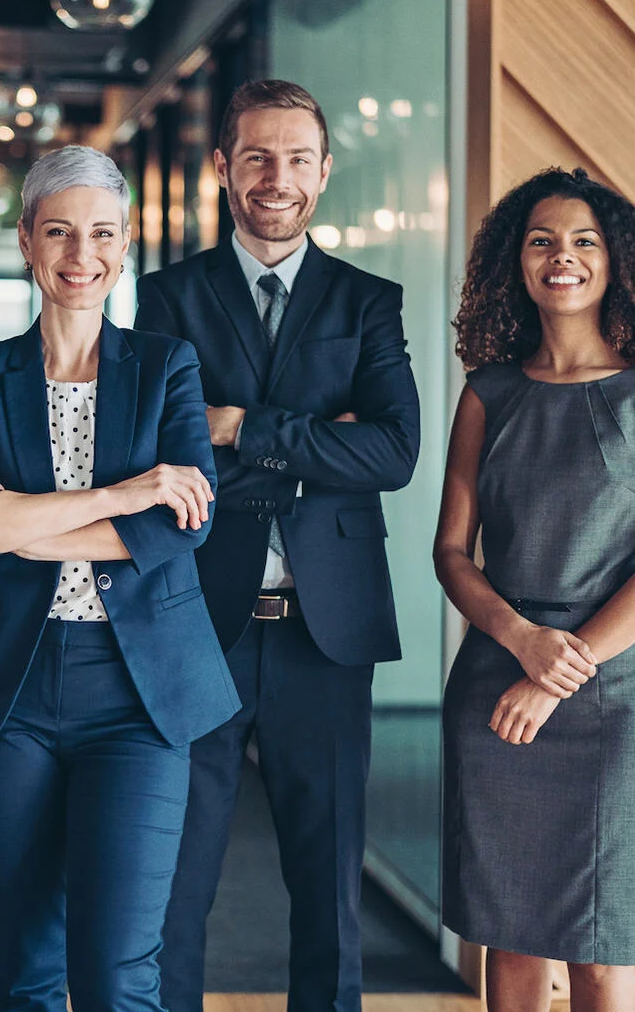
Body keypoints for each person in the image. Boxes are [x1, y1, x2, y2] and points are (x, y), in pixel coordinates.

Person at [0, 144, 240, 1012]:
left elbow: (184, 526)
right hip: (6, 695)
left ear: (126, 243)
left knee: (119, 972)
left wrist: (17, 519)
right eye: (58, 232)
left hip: (139, 697)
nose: (80, 255)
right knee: (23, 973)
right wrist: (123, 494)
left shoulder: (167, 365)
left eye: (101, 233)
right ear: (27, 241)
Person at [134, 79, 420, 1012]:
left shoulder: (369, 300)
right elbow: (161, 456)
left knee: (328, 889)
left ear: (326, 171)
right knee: (175, 886)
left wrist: (242, 427)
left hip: (323, 633)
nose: (277, 177)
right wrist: (313, 440)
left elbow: (394, 449)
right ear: (222, 167)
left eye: (298, 158)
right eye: (257, 155)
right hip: (197, 626)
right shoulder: (167, 299)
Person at [436, 167, 635, 1012]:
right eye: (542, 241)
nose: (563, 257)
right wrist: (521, 642)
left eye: (584, 240)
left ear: (615, 259)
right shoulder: (490, 392)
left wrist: (561, 668)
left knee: (603, 942)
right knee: (506, 933)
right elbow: (451, 551)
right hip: (496, 684)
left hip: (614, 689)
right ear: (514, 263)